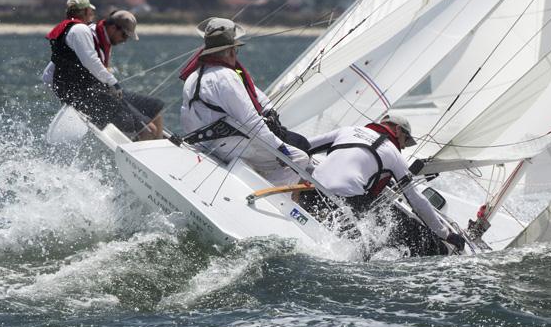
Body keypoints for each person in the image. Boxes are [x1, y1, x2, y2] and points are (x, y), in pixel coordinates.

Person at [303, 114, 467, 255]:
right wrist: (446, 234)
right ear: (397, 130)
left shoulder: (347, 130)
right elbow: (415, 199)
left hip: (309, 191)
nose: (403, 145)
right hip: (343, 204)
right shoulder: (393, 153)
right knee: (396, 223)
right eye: (406, 139)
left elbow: (303, 146)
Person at [179, 17, 309, 185]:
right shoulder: (226, 76)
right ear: (232, 51)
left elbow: (257, 95)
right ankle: (265, 201)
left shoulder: (194, 75)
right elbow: (252, 121)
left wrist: (269, 109)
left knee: (286, 148)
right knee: (299, 158)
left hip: (204, 144)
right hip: (228, 146)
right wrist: (280, 149)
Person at [45, 3, 164, 140]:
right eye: (124, 35)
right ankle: (144, 152)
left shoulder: (106, 39)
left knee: (156, 111)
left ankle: (161, 154)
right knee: (149, 131)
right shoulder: (84, 35)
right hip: (88, 95)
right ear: (113, 28)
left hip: (105, 91)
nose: (124, 41)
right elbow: (87, 62)